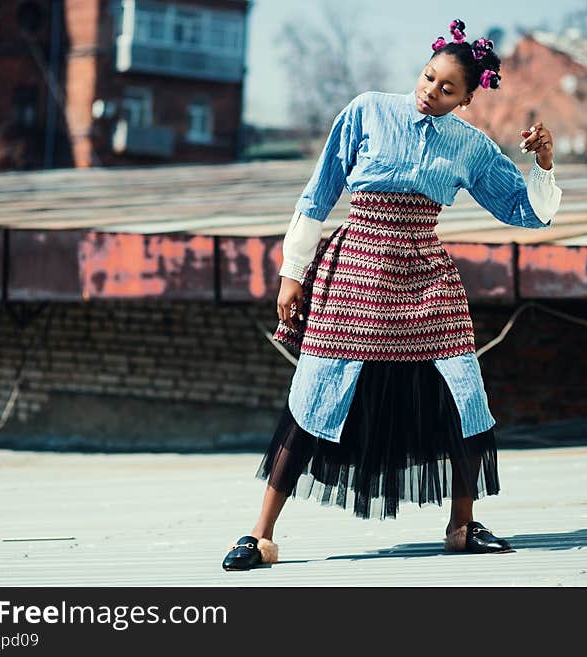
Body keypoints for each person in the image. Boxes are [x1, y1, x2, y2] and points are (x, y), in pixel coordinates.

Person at [222, 18, 563, 571]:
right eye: (429, 78)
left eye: (448, 89)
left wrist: (543, 164)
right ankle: (258, 535)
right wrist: (292, 272)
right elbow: (320, 190)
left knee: (466, 398)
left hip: (426, 281)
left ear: (468, 98)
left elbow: (526, 212)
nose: (431, 91)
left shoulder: (470, 146)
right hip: (353, 270)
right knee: (312, 396)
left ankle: (462, 524)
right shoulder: (367, 111)